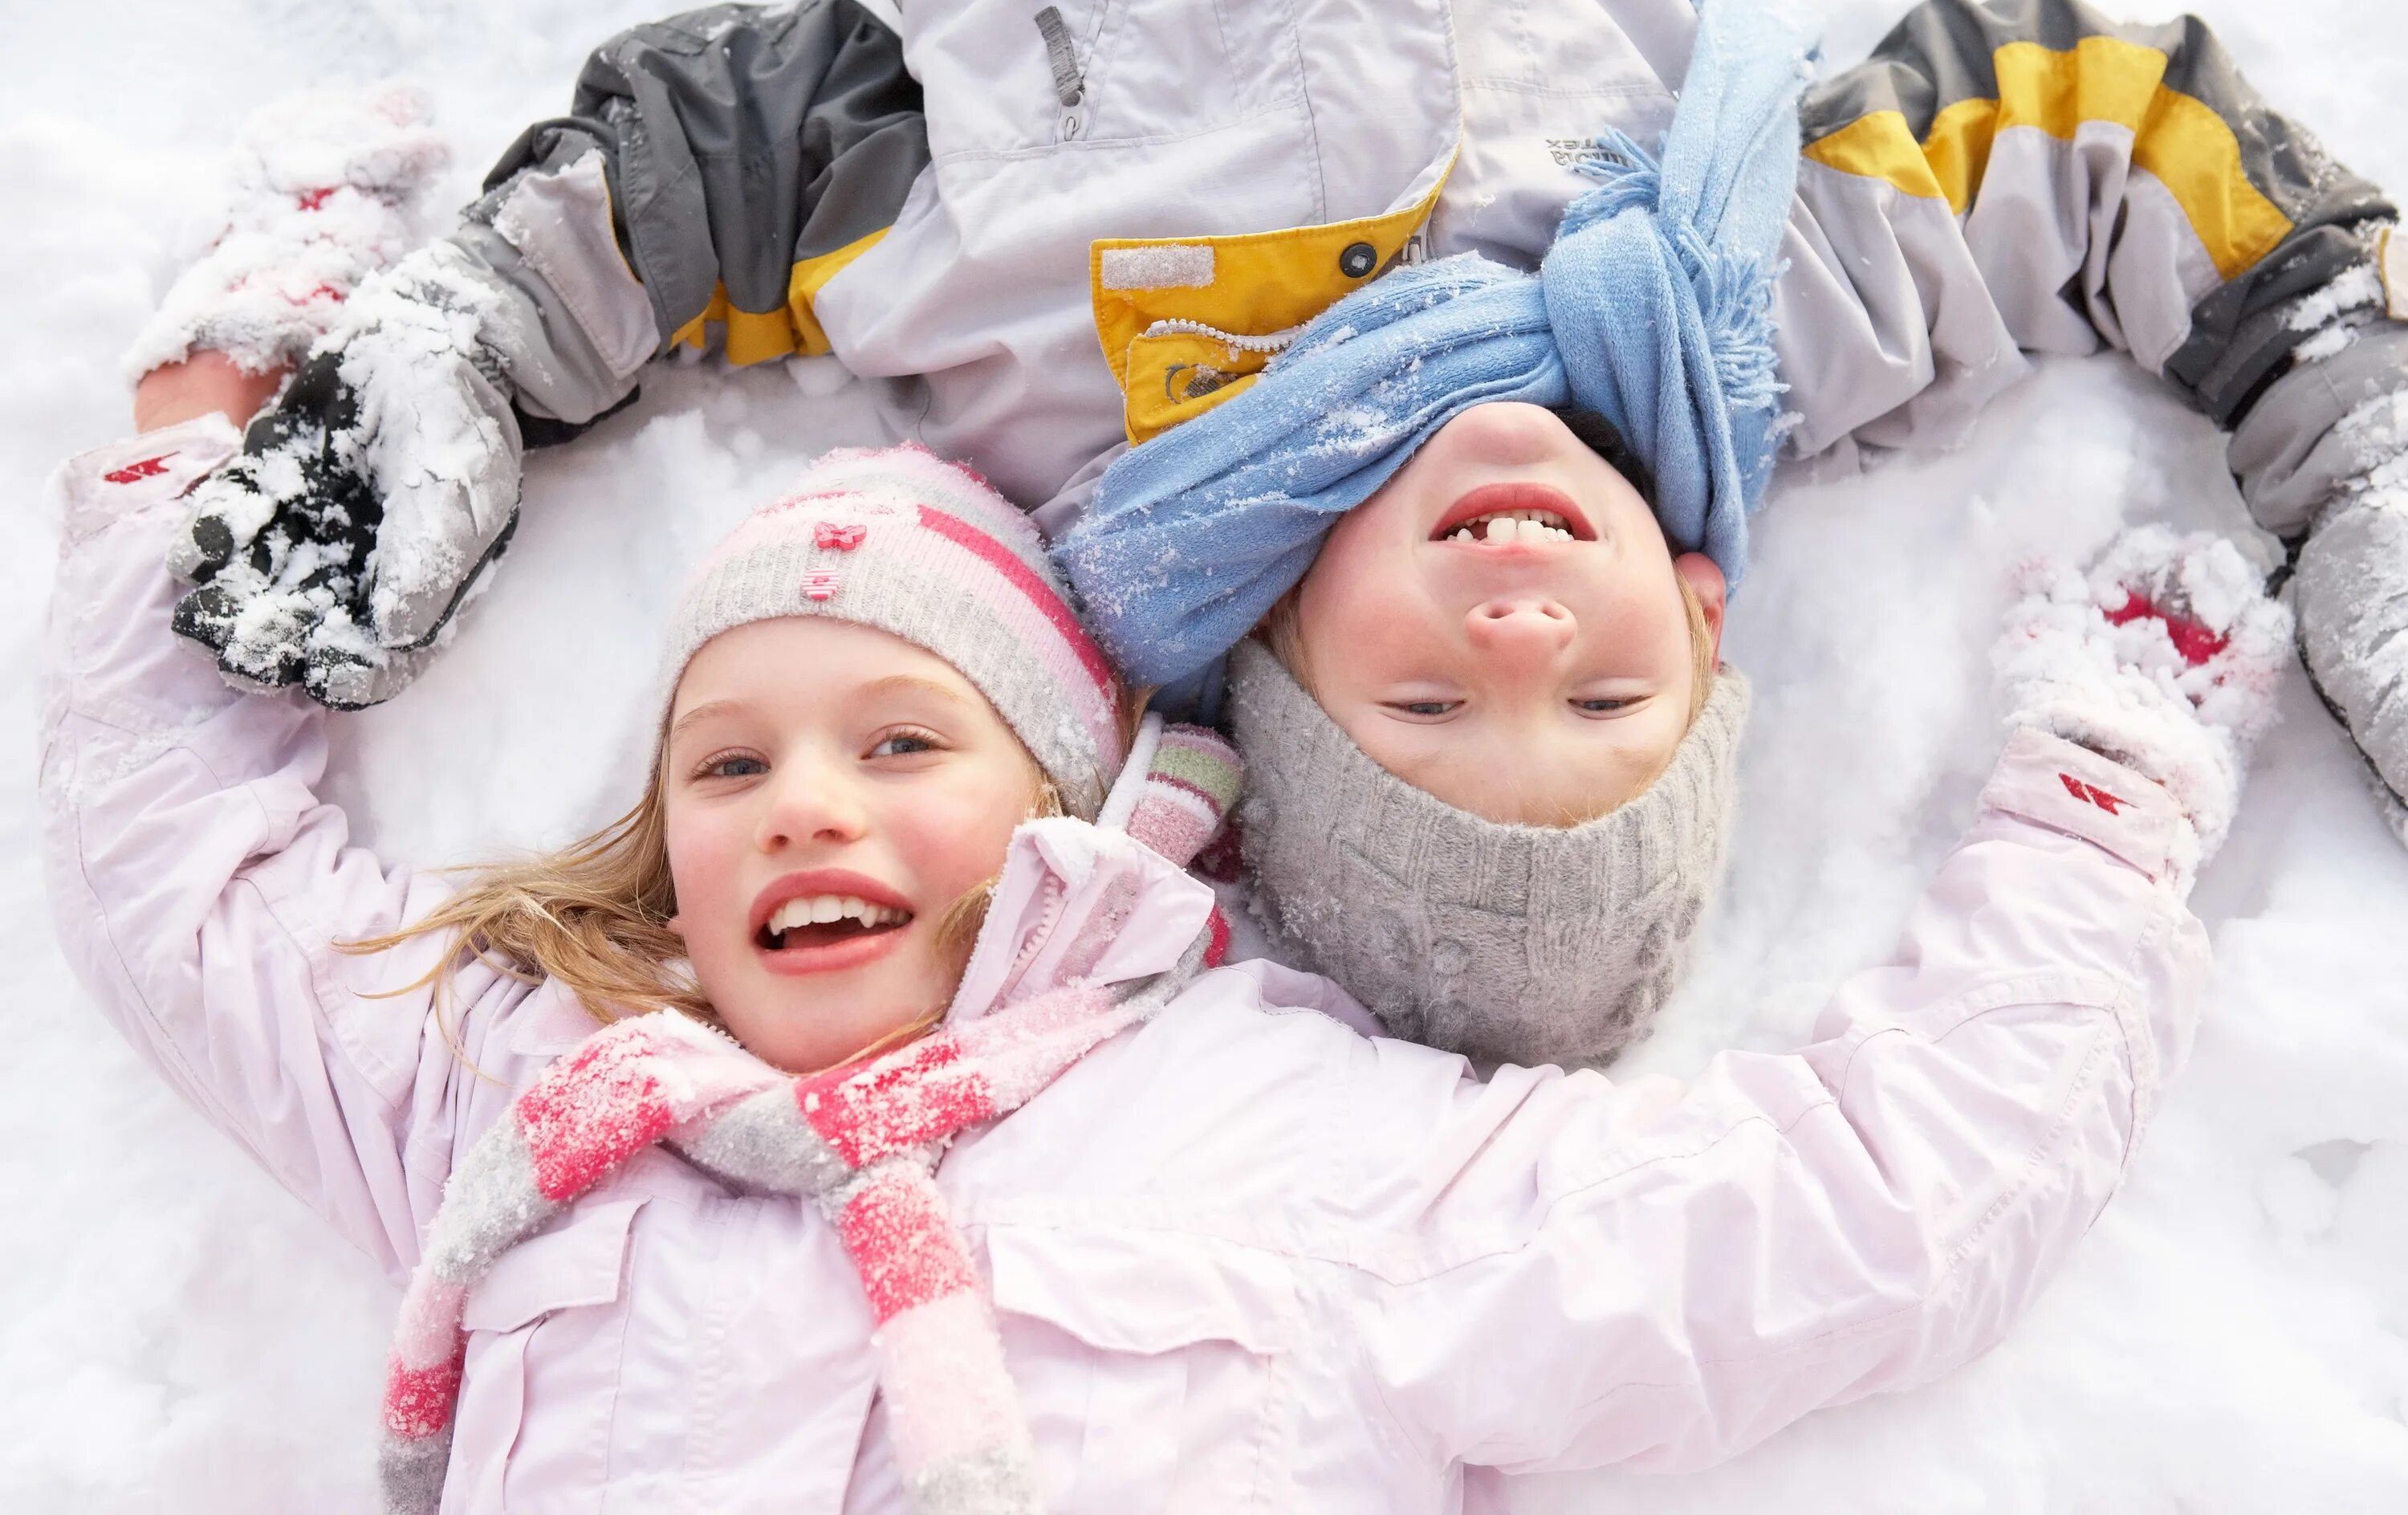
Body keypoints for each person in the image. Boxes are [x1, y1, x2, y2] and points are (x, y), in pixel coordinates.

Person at [48, 341, 2289, 1509]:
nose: (802, 804)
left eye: (903, 747)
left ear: (1074, 811)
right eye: (728, 769)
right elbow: (190, 899)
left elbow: (1853, 1222)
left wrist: (2100, 810)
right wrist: (186, 472)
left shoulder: (1291, 1145)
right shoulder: (528, 1104)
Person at [137, 0, 2408, 842]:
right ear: (1703, 627)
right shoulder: (1759, 303)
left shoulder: (1049, 395)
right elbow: (2128, 140)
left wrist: (462, 344)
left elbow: (728, 157)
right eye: (1598, 705)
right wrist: (2370, 451)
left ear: (1284, 667)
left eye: (1434, 711)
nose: (1518, 636)